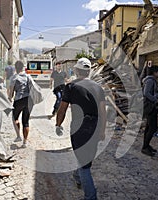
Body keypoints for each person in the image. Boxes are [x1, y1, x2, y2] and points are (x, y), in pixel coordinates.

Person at [55, 58, 106, 200]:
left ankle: (91, 196)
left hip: (79, 128)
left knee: (84, 165)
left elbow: (62, 109)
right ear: (89, 71)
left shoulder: (71, 86)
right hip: (94, 126)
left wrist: (58, 125)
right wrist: (102, 130)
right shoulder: (98, 87)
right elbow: (103, 111)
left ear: (76, 71)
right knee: (85, 158)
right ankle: (77, 178)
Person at [8, 61, 33, 148]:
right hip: (29, 100)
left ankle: (18, 135)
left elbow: (11, 90)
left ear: (15, 68)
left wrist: (10, 98)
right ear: (23, 67)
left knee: (15, 118)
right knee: (26, 121)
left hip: (18, 100)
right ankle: (25, 142)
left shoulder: (14, 78)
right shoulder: (28, 77)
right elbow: (32, 88)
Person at [141, 65, 158, 156]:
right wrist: (155, 99)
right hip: (150, 107)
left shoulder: (151, 80)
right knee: (153, 127)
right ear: (155, 72)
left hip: (151, 106)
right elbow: (146, 93)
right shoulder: (150, 81)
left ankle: (146, 145)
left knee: (149, 127)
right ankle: (145, 147)